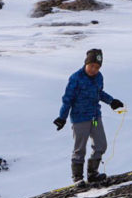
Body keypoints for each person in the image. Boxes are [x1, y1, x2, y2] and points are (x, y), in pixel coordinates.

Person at [53, 48, 124, 186]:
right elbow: (67, 99)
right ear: (86, 63)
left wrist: (111, 101)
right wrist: (62, 117)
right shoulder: (76, 78)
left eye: (97, 67)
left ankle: (92, 174)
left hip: (95, 118)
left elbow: (100, 93)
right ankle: (77, 178)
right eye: (91, 65)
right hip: (80, 119)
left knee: (101, 145)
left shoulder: (99, 77)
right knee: (80, 148)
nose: (94, 69)